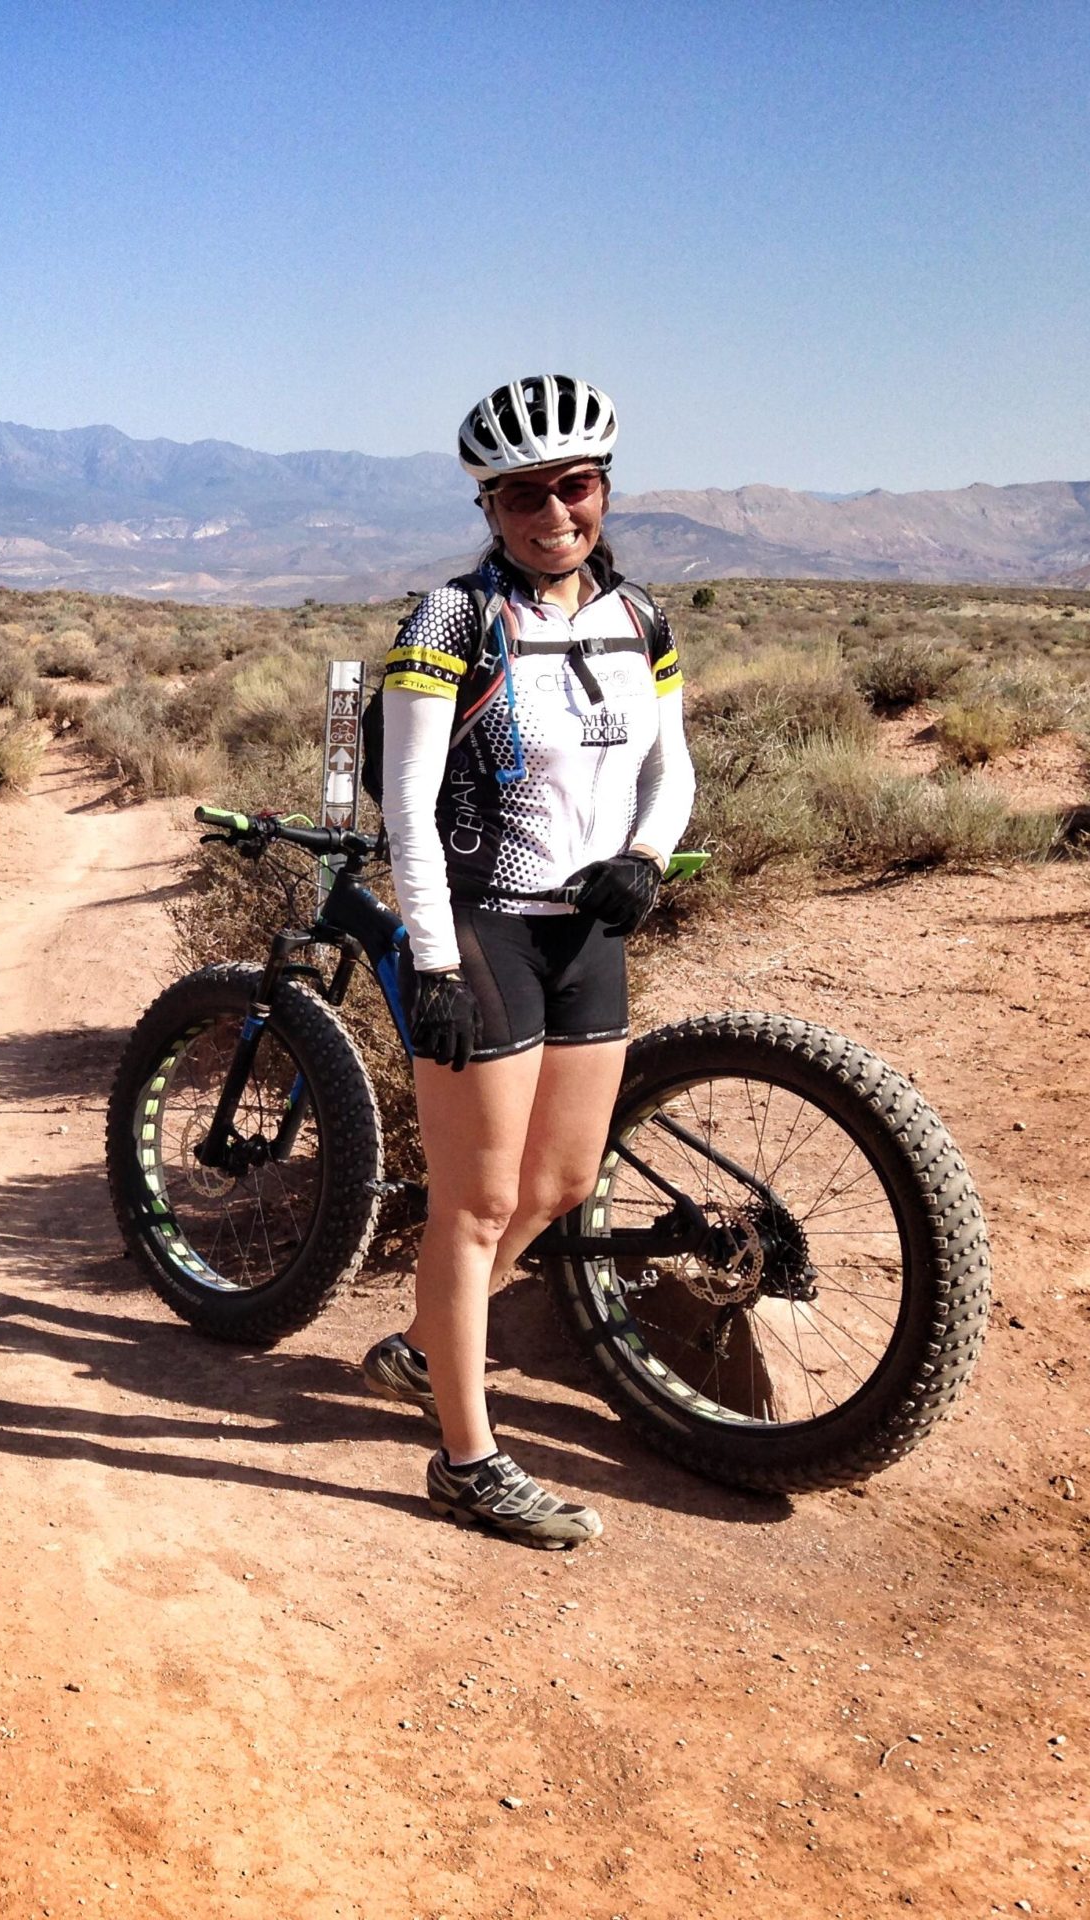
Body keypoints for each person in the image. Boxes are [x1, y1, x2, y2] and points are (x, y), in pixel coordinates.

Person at [363, 374, 695, 1548]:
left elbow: (673, 767)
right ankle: (467, 1457)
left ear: (603, 488)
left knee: (555, 1189)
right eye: (522, 496)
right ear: (489, 507)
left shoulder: (637, 614)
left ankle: (421, 1348)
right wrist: (436, 963)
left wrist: (646, 859)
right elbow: (405, 805)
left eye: (575, 485)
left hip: (586, 934)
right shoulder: (450, 622)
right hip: (482, 925)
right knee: (477, 1202)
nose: (554, 512)